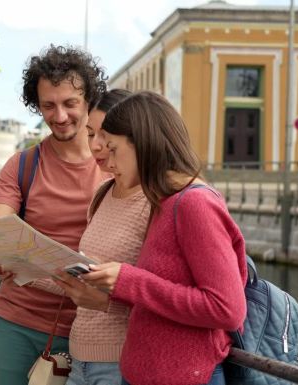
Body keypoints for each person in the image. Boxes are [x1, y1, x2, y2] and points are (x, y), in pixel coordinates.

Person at [80, 91, 248, 385]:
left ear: (144, 145)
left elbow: (227, 309)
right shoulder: (164, 201)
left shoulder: (194, 204)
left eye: (114, 148)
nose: (108, 159)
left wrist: (128, 281)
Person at [0, 45, 108, 385]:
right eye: (48, 105)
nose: (60, 116)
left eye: (70, 103)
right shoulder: (22, 165)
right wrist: (1, 250)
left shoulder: (114, 167)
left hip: (92, 330)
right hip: (16, 321)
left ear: (89, 100)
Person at [50, 89, 150, 385]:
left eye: (104, 136)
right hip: (78, 357)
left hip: (119, 364)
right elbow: (87, 277)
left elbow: (161, 297)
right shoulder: (103, 193)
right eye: (90, 133)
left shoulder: (156, 202)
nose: (95, 146)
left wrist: (105, 303)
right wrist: (23, 267)